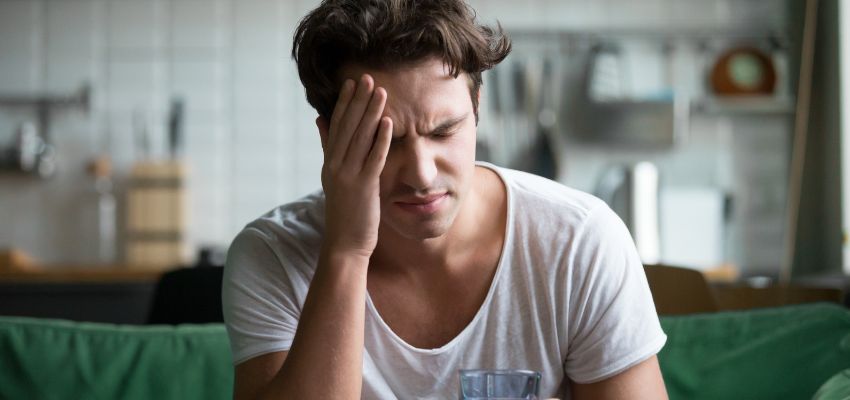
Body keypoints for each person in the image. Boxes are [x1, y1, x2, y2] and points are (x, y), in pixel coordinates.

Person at [222, 0, 669, 399]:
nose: (421, 172)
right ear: (330, 139)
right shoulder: (272, 255)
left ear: (476, 106)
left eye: (444, 131)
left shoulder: (580, 241)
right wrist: (346, 250)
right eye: (386, 140)